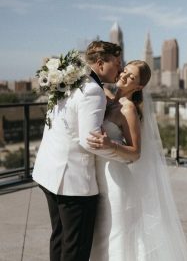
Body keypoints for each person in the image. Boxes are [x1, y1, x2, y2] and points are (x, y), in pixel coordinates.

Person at [32, 40, 132, 261]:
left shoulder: (68, 81)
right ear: (100, 63)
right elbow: (91, 142)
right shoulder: (92, 91)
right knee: (75, 248)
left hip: (48, 172)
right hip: (72, 183)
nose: (121, 68)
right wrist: (123, 155)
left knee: (59, 237)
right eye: (117, 63)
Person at [87, 60, 187, 260]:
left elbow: (136, 153)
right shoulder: (107, 98)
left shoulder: (128, 109)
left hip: (117, 181)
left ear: (139, 86)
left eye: (131, 77)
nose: (124, 76)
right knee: (100, 236)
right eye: (125, 71)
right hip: (98, 177)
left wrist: (111, 145)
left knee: (116, 236)